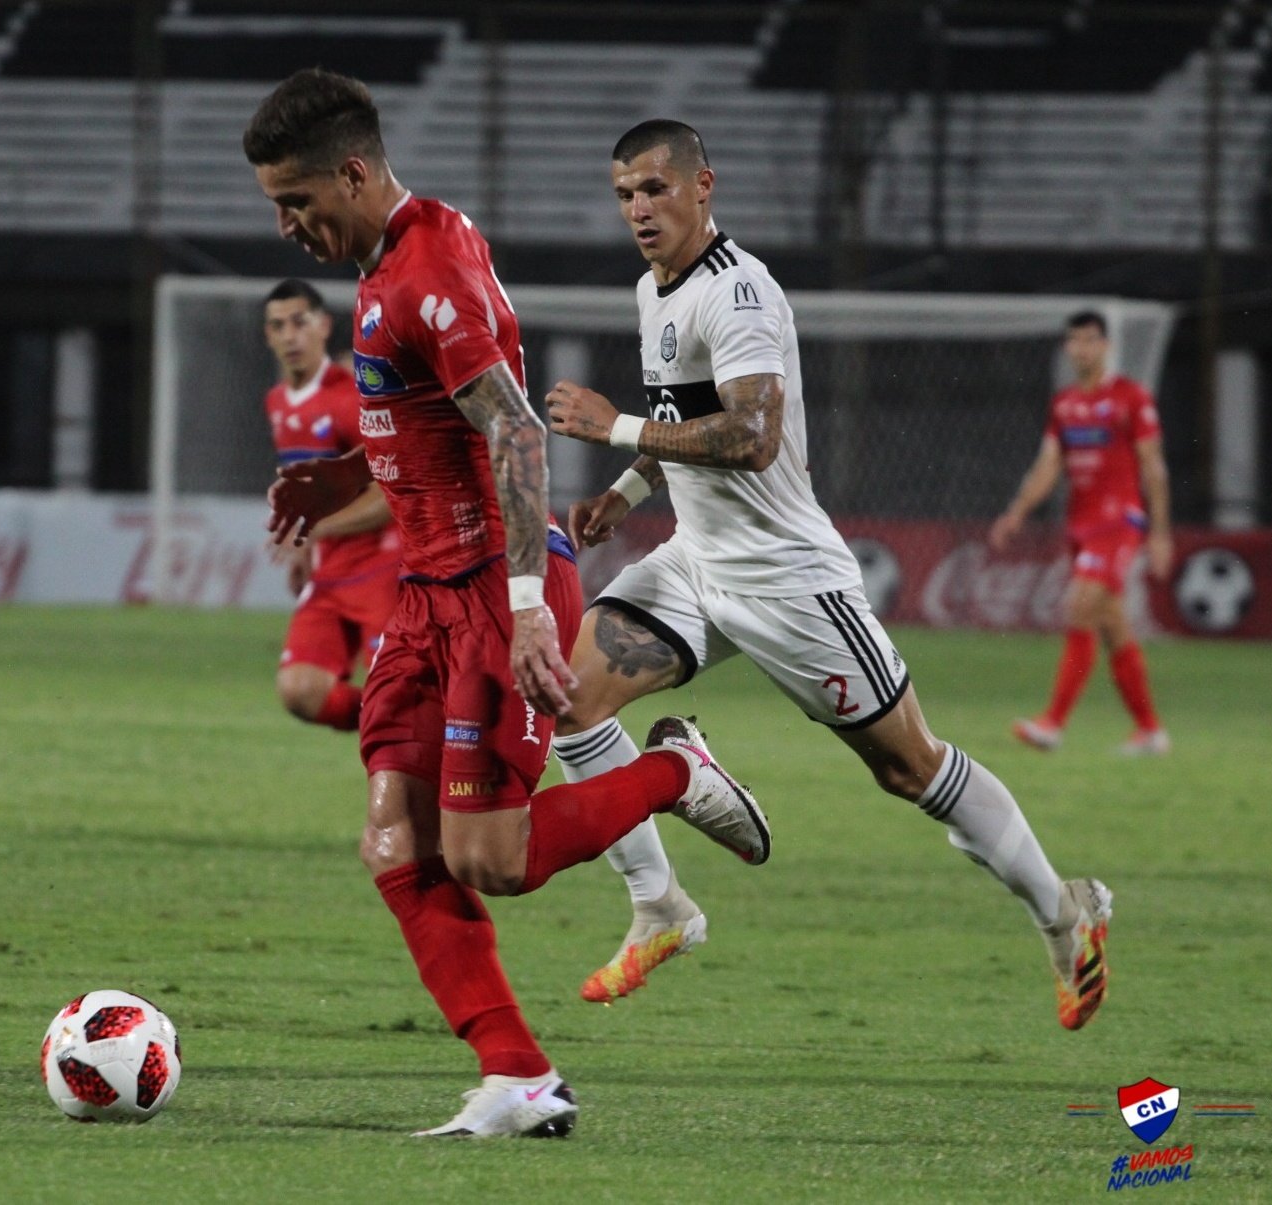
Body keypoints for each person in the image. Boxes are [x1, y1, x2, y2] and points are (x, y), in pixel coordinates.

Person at [245, 70, 769, 1139]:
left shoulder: (428, 268)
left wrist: (530, 607)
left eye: (298, 202)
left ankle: (675, 769)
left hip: (492, 587)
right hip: (425, 592)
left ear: (353, 171)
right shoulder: (389, 258)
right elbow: (423, 425)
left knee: (491, 857)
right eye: (275, 207)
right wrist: (339, 474)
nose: (289, 227)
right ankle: (517, 1074)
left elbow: (517, 432)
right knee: (397, 840)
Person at [544, 119, 1112, 1031]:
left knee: (910, 769)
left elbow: (751, 434)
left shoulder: (741, 294)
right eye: (624, 194)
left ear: (702, 187)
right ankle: (660, 904)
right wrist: (627, 484)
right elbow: (683, 414)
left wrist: (613, 430)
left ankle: (1062, 908)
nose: (638, 210)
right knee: (567, 699)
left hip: (786, 580)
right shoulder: (656, 291)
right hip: (696, 562)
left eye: (654, 189)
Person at [989, 311, 1173, 756]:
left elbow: (1153, 466)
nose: (1081, 349)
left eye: (1090, 340)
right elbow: (1048, 465)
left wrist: (1161, 532)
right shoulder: (1065, 404)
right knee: (1113, 625)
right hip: (1082, 527)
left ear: (1106, 346)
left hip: (1119, 522)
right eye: (1074, 341)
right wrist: (1017, 511)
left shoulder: (1131, 397)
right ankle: (1151, 731)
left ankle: (1052, 724)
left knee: (1078, 607)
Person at [261, 277, 400, 732]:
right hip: (330, 572)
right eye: (277, 326)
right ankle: (411, 728)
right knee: (300, 689)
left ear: (323, 326)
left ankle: (412, 734)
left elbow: (389, 496)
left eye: (299, 322)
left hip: (382, 567)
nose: (289, 335)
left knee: (396, 689)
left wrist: (312, 530)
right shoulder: (279, 401)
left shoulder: (350, 400)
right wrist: (306, 545)